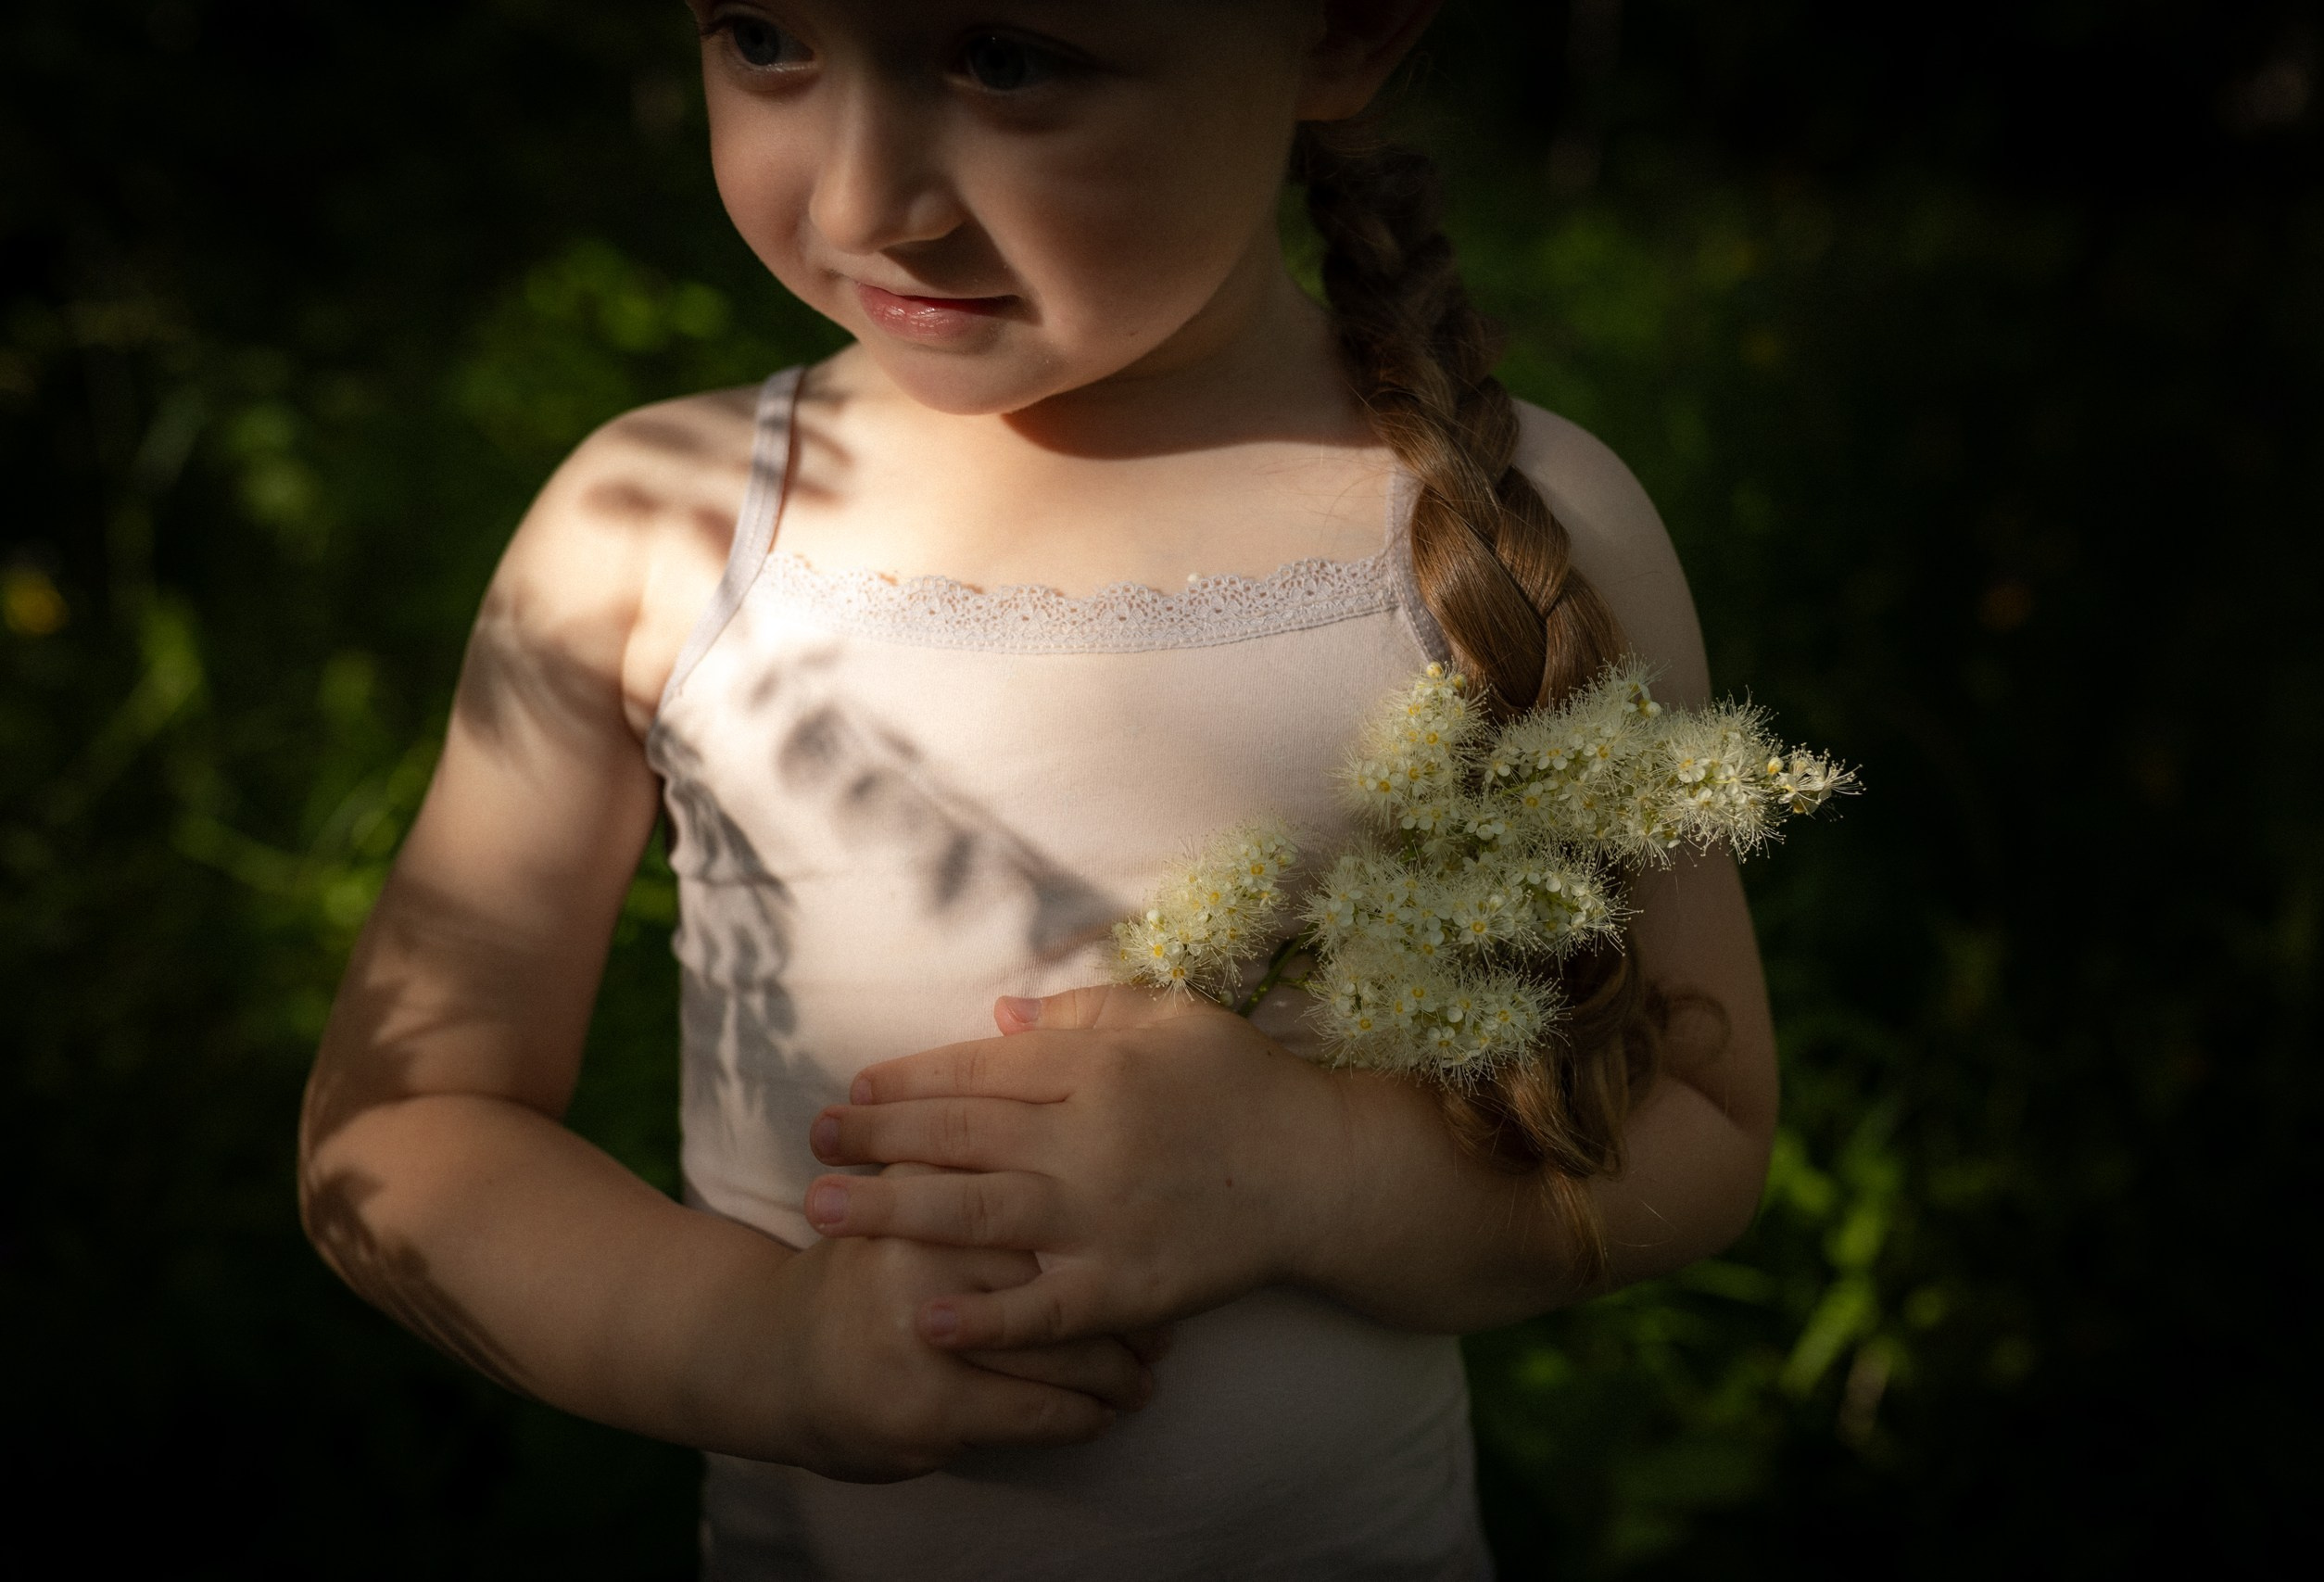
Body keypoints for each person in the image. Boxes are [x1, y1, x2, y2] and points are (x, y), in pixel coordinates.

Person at [298, 2, 1777, 1576]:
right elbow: (399, 1124)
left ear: (1336, 35)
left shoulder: (1518, 535)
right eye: (764, 38)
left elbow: (1703, 1123)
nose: (867, 200)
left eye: (1005, 58)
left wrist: (1319, 1171)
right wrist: (763, 1342)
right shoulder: (656, 530)